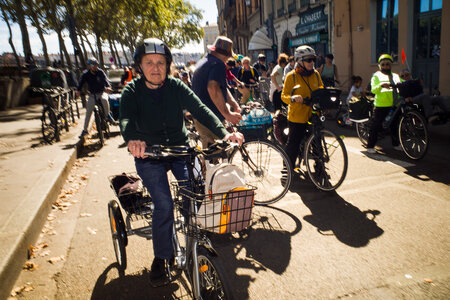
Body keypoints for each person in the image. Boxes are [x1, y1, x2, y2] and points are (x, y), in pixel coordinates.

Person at [119, 38, 243, 287]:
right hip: (149, 156)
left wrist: (224, 132)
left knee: (197, 193)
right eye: (149, 62)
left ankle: (195, 240)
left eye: (161, 62)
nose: (155, 68)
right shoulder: (131, 91)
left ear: (168, 65)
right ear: (139, 66)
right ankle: (160, 257)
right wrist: (132, 138)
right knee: (163, 204)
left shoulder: (176, 86)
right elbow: (126, 120)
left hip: (180, 150)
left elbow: (200, 109)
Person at [191, 36, 243, 148]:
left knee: (214, 154)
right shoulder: (218, 64)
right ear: (226, 54)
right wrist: (227, 114)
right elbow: (213, 88)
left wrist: (234, 104)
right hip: (209, 117)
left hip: (202, 116)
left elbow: (222, 87)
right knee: (213, 156)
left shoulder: (206, 61)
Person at [281, 45, 323, 169]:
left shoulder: (315, 74)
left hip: (313, 114)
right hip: (297, 116)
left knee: (317, 142)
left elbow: (321, 88)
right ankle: (287, 168)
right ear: (300, 60)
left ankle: (319, 166)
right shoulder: (291, 76)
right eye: (308, 60)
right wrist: (293, 98)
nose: (312, 62)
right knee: (293, 143)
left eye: (313, 60)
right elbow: (284, 96)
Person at [366, 54, 402, 154]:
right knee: (376, 126)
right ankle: (370, 146)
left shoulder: (395, 76)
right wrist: (381, 85)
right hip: (381, 105)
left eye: (388, 64)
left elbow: (402, 83)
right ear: (380, 66)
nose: (386, 66)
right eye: (383, 64)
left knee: (394, 125)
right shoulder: (376, 75)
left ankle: (396, 144)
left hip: (394, 104)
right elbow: (373, 89)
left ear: (391, 65)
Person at [76, 57, 113, 138]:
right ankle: (85, 130)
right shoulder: (85, 74)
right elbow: (81, 82)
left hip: (101, 92)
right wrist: (78, 90)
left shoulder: (100, 72)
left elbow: (106, 81)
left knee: (104, 100)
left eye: (95, 65)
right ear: (89, 66)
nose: (94, 67)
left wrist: (108, 87)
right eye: (92, 65)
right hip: (92, 95)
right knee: (88, 111)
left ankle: (108, 116)